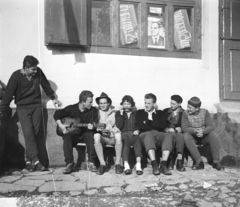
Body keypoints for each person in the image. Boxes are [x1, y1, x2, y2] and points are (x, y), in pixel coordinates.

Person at [0, 55, 62, 171]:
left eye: (36, 68)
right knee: (28, 134)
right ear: (26, 68)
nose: (35, 71)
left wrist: (53, 98)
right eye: (33, 69)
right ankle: (37, 161)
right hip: (22, 108)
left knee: (37, 132)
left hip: (37, 107)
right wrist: (2, 108)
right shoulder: (16, 76)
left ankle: (29, 161)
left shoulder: (38, 73)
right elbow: (8, 94)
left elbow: (45, 85)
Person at [54, 90, 98, 174]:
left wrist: (92, 126)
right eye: (90, 102)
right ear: (83, 102)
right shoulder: (71, 108)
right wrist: (61, 126)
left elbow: (94, 123)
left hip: (85, 135)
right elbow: (57, 114)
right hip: (74, 135)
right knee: (67, 136)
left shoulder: (93, 111)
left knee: (91, 134)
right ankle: (69, 164)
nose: (91, 104)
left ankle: (91, 162)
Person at [182, 97, 224, 171]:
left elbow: (211, 126)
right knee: (185, 135)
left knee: (213, 134)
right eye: (187, 106)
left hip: (204, 137)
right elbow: (184, 128)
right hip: (193, 138)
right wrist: (195, 131)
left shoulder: (205, 112)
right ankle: (199, 162)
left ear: (197, 108)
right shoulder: (185, 113)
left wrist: (203, 131)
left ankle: (216, 162)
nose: (188, 109)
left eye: (190, 107)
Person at [136, 93, 174, 175]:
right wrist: (155, 124)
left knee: (168, 135)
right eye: (145, 102)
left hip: (158, 134)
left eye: (149, 103)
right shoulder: (139, 113)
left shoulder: (160, 113)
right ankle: (154, 164)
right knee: (148, 134)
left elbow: (163, 125)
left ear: (154, 104)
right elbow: (141, 126)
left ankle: (163, 164)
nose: (146, 105)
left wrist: (148, 122)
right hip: (145, 134)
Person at [93, 92, 123, 175]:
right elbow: (94, 125)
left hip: (112, 137)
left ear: (108, 103)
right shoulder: (96, 113)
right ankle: (102, 164)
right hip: (103, 138)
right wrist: (99, 129)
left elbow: (117, 127)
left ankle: (117, 164)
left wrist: (112, 132)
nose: (102, 105)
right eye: (101, 103)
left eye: (105, 103)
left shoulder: (114, 113)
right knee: (96, 136)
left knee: (118, 135)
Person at [115, 95, 143, 175]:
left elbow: (139, 124)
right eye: (124, 104)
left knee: (137, 142)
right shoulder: (118, 113)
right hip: (124, 134)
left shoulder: (136, 114)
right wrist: (120, 114)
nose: (126, 106)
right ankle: (126, 165)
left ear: (132, 105)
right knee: (125, 144)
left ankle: (138, 165)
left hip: (134, 133)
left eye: (128, 104)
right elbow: (119, 126)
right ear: (122, 104)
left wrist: (137, 130)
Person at [163, 95, 185, 171]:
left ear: (179, 104)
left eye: (174, 104)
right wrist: (167, 129)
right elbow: (162, 124)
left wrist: (178, 129)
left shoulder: (184, 113)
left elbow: (184, 125)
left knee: (179, 136)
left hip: (178, 132)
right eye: (171, 103)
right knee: (170, 137)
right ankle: (170, 161)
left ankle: (179, 162)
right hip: (168, 132)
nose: (171, 105)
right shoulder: (165, 111)